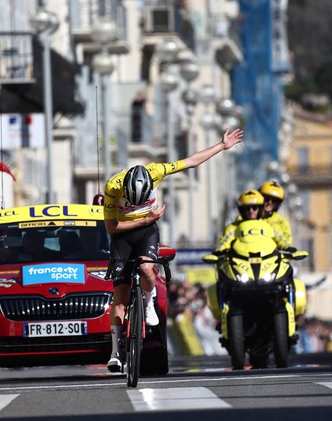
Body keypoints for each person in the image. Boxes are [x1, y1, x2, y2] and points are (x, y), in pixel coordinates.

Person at [103, 127, 244, 372]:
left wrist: (221, 146)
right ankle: (115, 352)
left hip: (147, 231)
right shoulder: (113, 187)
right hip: (123, 232)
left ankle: (148, 304)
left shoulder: (156, 171)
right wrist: (144, 219)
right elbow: (112, 227)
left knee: (147, 268)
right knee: (120, 296)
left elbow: (190, 162)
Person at [259, 180, 292, 249]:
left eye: (274, 201)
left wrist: (275, 233)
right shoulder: (249, 216)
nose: (269, 203)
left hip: (272, 257)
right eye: (266, 199)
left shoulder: (282, 222)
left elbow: (287, 244)